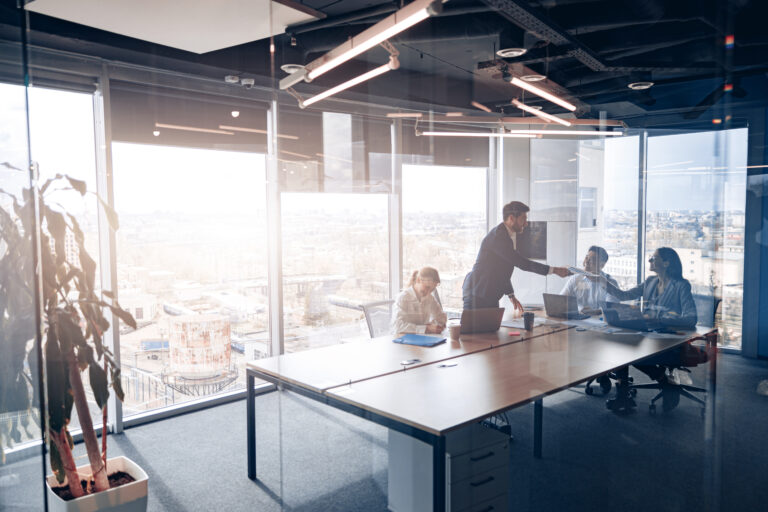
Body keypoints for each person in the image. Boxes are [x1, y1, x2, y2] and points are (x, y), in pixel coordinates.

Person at [590, 247, 698, 411]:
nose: (650, 261)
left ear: (667, 263)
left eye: (654, 258)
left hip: (669, 339)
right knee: (622, 347)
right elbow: (624, 295)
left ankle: (662, 380)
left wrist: (659, 319)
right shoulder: (650, 281)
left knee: (631, 353)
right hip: (648, 334)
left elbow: (691, 318)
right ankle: (623, 397)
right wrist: (603, 282)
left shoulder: (681, 286)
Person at [462, 201, 571, 312]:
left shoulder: (505, 235)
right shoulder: (498, 236)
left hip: (487, 294)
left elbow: (500, 268)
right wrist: (554, 270)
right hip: (477, 294)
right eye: (523, 218)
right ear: (511, 218)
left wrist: (511, 294)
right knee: (476, 329)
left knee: (492, 328)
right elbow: (522, 263)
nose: (526, 223)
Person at [560, 245, 619, 314]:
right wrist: (580, 309)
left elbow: (613, 309)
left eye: (592, 259)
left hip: (600, 322)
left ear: (602, 265)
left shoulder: (610, 282)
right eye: (586, 257)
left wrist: (594, 312)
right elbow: (561, 300)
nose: (586, 262)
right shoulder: (575, 279)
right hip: (578, 321)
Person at [392, 267, 447, 334]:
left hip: (422, 339)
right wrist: (426, 328)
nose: (428, 292)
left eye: (432, 290)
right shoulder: (403, 298)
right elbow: (398, 326)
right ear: (418, 280)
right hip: (403, 339)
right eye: (427, 287)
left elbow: (441, 317)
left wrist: (435, 325)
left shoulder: (429, 298)